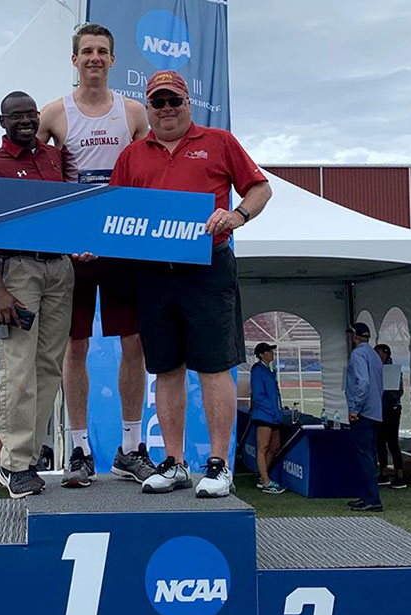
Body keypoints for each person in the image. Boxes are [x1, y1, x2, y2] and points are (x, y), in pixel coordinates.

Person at [110, 70, 272, 498]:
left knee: (215, 366)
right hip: (154, 272)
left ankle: (218, 466)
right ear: (148, 107)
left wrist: (237, 216)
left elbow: (260, 188)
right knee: (165, 368)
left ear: (188, 103)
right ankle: (176, 462)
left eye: (173, 101)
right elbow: (114, 212)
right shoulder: (131, 155)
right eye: (158, 102)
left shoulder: (219, 141)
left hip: (208, 266)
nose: (166, 109)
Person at [37, 23, 154, 489]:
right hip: (75, 250)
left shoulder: (133, 114)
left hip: (121, 246)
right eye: (86, 51)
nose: (94, 58)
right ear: (74, 60)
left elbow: (150, 177)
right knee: (75, 346)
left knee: (134, 342)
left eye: (102, 51)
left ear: (112, 59)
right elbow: (34, 175)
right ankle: (81, 449)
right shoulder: (52, 115)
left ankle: (129, 447)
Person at [0, 91, 74, 498]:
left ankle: (31, 458)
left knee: (50, 366)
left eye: (30, 114)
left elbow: (70, 208)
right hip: (18, 271)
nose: (25, 121)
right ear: (2, 122)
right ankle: (15, 463)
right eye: (15, 116)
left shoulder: (55, 158)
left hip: (60, 268)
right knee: (18, 369)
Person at [345, 322, 385, 512]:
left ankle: (372, 498)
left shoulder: (358, 354)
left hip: (363, 413)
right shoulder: (374, 355)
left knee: (364, 457)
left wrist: (355, 408)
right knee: (370, 455)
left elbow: (362, 382)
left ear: (355, 336)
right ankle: (367, 495)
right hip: (375, 412)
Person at [250, 343, 285, 494]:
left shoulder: (271, 370)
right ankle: (266, 481)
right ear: (262, 354)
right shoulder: (257, 371)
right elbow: (259, 395)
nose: (272, 353)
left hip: (274, 415)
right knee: (262, 447)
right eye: (270, 351)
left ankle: (263, 475)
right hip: (264, 415)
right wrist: (271, 411)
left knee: (275, 446)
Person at [374, 344, 406, 489]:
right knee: (380, 441)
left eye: (378, 353)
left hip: (391, 409)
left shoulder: (392, 371)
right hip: (381, 409)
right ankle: (384, 473)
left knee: (392, 442)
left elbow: (397, 392)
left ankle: (400, 476)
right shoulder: (377, 369)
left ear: (385, 354)